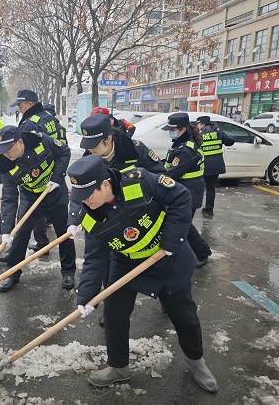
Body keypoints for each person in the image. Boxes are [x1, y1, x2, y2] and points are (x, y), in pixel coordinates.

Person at [67, 155, 217, 393]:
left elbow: (181, 196)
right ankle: (118, 367)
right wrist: (86, 296)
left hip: (166, 258)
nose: (84, 202)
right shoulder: (89, 214)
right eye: (79, 197)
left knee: (184, 316)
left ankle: (196, 361)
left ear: (105, 184)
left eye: (88, 195)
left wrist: (171, 241)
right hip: (126, 264)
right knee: (114, 315)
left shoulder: (139, 180)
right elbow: (96, 258)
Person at [71, 113, 166, 327]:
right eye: (88, 145)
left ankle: (168, 298)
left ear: (109, 138)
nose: (91, 149)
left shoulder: (136, 149)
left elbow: (160, 177)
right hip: (112, 221)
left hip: (146, 217)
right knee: (109, 264)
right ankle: (112, 309)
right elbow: (80, 194)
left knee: (162, 264)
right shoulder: (89, 158)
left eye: (95, 144)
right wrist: (75, 219)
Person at [0, 125, 76, 292]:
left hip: (54, 195)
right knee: (20, 234)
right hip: (30, 198)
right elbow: (9, 198)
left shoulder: (42, 140)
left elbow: (64, 152)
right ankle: (12, 274)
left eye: (9, 149)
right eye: (2, 150)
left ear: (20, 142)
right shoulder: (5, 163)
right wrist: (6, 230)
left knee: (64, 233)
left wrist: (57, 178)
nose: (6, 154)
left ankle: (68, 272)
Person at [11, 90, 68, 252]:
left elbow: (24, 153)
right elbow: (62, 145)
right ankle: (42, 242)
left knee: (29, 213)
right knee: (46, 212)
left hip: (36, 174)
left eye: (21, 105)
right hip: (55, 173)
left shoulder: (29, 123)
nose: (19, 109)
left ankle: (16, 252)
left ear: (30, 104)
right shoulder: (51, 119)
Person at [162, 113, 212, 267]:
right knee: (183, 224)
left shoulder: (186, 150)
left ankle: (202, 253)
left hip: (190, 191)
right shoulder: (180, 143)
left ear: (183, 129)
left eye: (173, 129)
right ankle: (185, 252)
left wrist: (155, 178)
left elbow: (173, 173)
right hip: (186, 189)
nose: (171, 132)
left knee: (185, 225)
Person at [195, 116, 235, 215]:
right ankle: (209, 210)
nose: (197, 126)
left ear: (202, 124)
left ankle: (194, 207)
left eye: (198, 124)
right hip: (216, 166)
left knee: (199, 187)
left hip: (203, 166)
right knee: (211, 187)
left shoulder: (198, 135)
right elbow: (231, 141)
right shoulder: (218, 133)